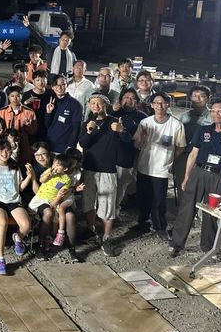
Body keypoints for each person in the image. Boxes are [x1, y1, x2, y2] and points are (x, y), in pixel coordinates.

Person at [169, 101, 221, 257]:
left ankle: (208, 247)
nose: (215, 114)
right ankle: (176, 243)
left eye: (220, 111)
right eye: (213, 111)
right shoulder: (203, 130)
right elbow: (193, 154)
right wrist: (186, 177)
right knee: (187, 208)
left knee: (213, 212)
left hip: (219, 177)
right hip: (199, 173)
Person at [134, 93, 186, 239]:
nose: (159, 105)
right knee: (144, 197)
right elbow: (137, 144)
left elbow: (181, 146)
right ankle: (143, 222)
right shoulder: (145, 122)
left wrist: (169, 159)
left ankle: (160, 226)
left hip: (161, 169)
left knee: (159, 200)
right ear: (152, 105)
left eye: (163, 102)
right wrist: (142, 137)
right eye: (156, 103)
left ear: (168, 104)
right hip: (144, 166)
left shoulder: (176, 125)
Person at [78, 94, 125, 257]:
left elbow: (127, 141)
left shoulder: (114, 122)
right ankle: (90, 229)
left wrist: (121, 131)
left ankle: (107, 237)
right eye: (93, 103)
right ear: (89, 106)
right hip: (89, 168)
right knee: (88, 201)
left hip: (107, 169)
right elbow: (83, 143)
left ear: (106, 105)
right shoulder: (87, 123)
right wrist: (89, 131)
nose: (96, 106)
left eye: (99, 103)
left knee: (108, 204)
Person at [0, 139, 33, 275]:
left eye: (8, 150)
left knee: (26, 225)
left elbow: (19, 188)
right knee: (2, 222)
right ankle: (0, 259)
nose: (4, 153)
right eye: (1, 150)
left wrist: (29, 177)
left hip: (13, 200)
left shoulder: (15, 167)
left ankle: (18, 237)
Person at [28, 154, 74, 251]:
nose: (54, 166)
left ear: (65, 169)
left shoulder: (66, 179)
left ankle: (53, 236)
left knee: (55, 216)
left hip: (51, 199)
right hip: (40, 196)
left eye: (58, 165)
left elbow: (61, 193)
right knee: (30, 210)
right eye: (54, 164)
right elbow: (41, 180)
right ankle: (33, 223)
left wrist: (54, 202)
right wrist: (49, 175)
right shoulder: (49, 170)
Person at [111, 88, 147, 212]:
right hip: (110, 155)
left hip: (127, 157)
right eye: (126, 97)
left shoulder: (142, 118)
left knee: (121, 186)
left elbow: (141, 140)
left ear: (137, 102)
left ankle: (115, 211)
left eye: (132, 98)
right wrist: (112, 110)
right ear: (120, 100)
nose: (129, 100)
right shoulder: (114, 113)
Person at [173, 85, 213, 194]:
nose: (198, 99)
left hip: (203, 159)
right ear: (190, 98)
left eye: (202, 96)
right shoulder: (184, 116)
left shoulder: (213, 117)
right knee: (182, 186)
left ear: (208, 98)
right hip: (184, 156)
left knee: (201, 189)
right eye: (195, 96)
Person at [0, 86, 38, 164]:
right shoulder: (1, 112)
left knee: (23, 166)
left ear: (21, 96)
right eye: (12, 96)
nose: (15, 98)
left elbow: (33, 131)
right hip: (6, 146)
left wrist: (28, 126)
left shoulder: (29, 112)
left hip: (24, 145)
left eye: (18, 96)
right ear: (8, 97)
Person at [43, 75, 83, 154]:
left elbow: (76, 129)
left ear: (66, 85)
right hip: (49, 146)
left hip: (63, 149)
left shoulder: (75, 104)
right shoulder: (51, 102)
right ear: (52, 87)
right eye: (56, 85)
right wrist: (48, 113)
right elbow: (47, 125)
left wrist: (70, 146)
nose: (59, 88)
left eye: (62, 84)